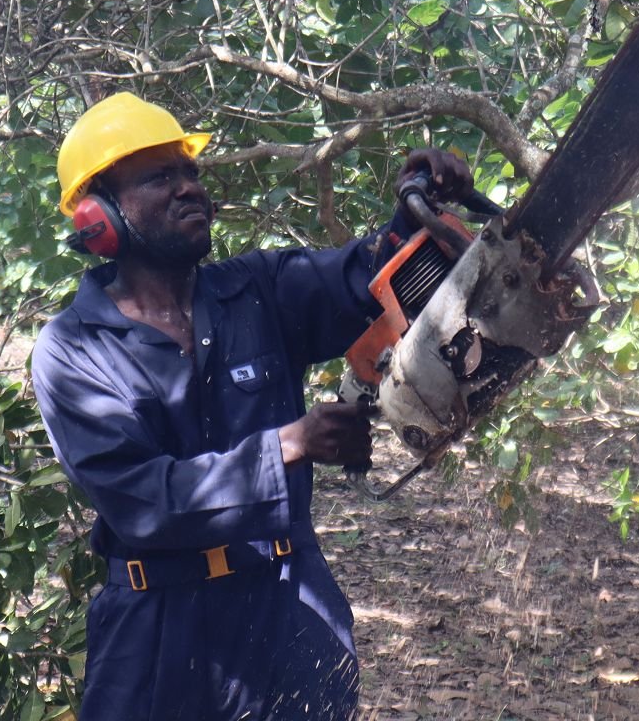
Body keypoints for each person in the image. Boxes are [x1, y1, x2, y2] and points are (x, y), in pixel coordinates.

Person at [30, 92, 473, 720]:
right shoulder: (73, 351)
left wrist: (418, 208)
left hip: (287, 611)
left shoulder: (259, 290)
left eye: (192, 173)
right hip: (157, 640)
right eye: (161, 176)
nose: (189, 189)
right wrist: (289, 445)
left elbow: (368, 279)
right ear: (98, 216)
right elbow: (146, 502)